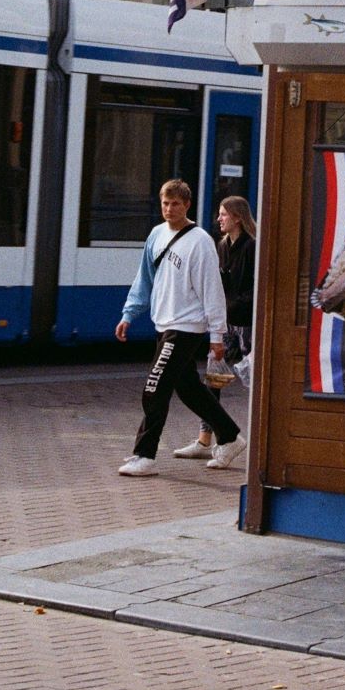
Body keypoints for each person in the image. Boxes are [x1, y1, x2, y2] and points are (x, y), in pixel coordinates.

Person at [115, 178, 246, 476]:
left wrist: (217, 335)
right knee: (188, 389)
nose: (169, 209)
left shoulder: (199, 241)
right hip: (164, 322)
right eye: (165, 203)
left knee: (154, 387)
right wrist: (128, 314)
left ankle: (144, 455)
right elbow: (144, 279)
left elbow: (211, 290)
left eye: (175, 203)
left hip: (186, 326)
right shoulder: (156, 235)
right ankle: (228, 436)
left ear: (187, 205)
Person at [174, 193, 257, 462]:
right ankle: (205, 439)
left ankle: (258, 438)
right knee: (213, 379)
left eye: (223, 214)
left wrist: (229, 305)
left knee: (256, 382)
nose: (219, 218)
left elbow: (255, 290)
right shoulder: (222, 246)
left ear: (237, 217)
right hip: (224, 324)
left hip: (246, 325)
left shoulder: (252, 246)